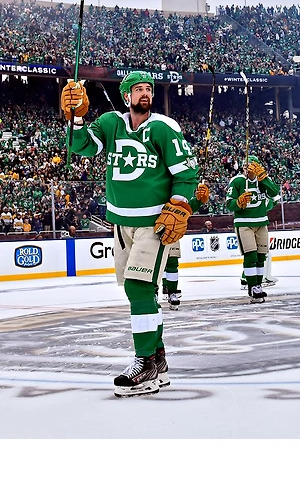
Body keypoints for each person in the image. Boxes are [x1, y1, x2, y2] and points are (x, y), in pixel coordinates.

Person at [62, 70, 199, 397]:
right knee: (139, 292)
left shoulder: (164, 128)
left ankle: (145, 361)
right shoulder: (110, 123)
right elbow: (80, 147)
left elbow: (186, 172)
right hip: (121, 223)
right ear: (126, 96)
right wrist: (77, 118)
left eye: (148, 89)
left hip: (155, 222)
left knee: (139, 288)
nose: (144, 94)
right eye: (138, 89)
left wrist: (179, 204)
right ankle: (159, 360)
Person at [226, 154, 280, 302]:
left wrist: (264, 177)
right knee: (251, 256)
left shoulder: (262, 181)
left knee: (261, 256)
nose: (249, 169)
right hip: (244, 223)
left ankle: (258, 285)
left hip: (262, 222)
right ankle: (252, 287)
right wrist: (238, 202)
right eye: (247, 166)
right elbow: (229, 204)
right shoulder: (237, 181)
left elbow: (274, 193)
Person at [161, 184, 210, 310]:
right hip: (151, 228)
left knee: (172, 262)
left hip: (172, 227)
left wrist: (198, 201)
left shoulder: (175, 185)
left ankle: (172, 292)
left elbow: (185, 208)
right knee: (155, 264)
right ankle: (154, 293)